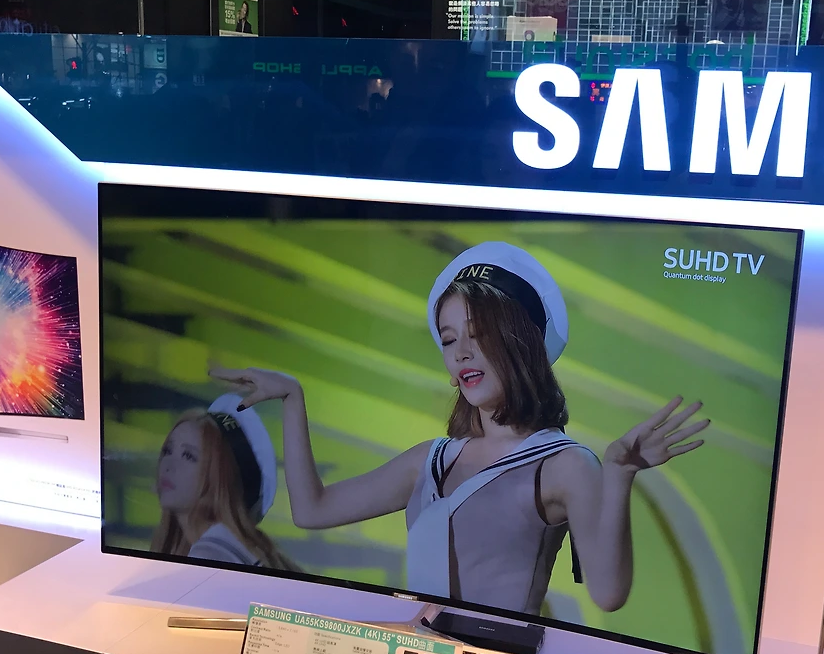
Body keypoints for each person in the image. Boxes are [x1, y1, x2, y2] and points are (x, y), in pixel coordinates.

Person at [212, 241, 708, 616]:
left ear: (521, 343)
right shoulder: (430, 459)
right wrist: (292, 397)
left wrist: (619, 473)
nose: (462, 353)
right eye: (450, 340)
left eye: (480, 335)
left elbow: (608, 593)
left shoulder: (564, 465)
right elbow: (312, 510)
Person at [151, 393, 298, 570]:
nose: (169, 465)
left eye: (189, 456)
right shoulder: (225, 546)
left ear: (219, 477)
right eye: (167, 451)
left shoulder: (210, 555)